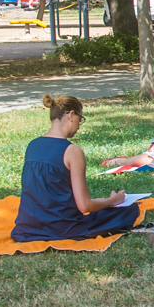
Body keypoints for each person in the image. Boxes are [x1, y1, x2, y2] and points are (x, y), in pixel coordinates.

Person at [12, 95, 135, 241]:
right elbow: (84, 206)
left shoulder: (32, 145)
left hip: (27, 227)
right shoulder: (72, 151)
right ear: (71, 115)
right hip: (61, 228)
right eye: (80, 119)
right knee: (130, 210)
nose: (78, 125)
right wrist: (112, 201)